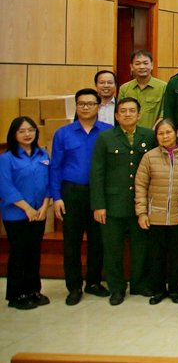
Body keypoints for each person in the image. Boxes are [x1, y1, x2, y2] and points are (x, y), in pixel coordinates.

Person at [90, 96, 156, 304]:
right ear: (117, 116)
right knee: (112, 249)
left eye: (132, 111)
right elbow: (97, 173)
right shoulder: (105, 138)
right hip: (113, 204)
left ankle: (139, 283)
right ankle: (117, 288)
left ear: (139, 115)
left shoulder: (149, 136)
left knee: (140, 247)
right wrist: (98, 205)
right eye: (123, 111)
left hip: (139, 204)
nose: (128, 114)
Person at [49, 88, 113, 305]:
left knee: (97, 241)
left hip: (98, 193)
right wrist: (56, 196)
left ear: (98, 106)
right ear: (76, 106)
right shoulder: (63, 133)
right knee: (72, 242)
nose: (86, 107)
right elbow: (55, 166)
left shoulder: (107, 132)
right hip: (71, 192)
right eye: (81, 104)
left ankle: (93, 282)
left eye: (90, 104)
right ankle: (74, 286)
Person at [134, 118, 178, 305]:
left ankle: (174, 290)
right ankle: (157, 290)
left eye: (168, 132)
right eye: (160, 133)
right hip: (155, 216)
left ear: (176, 133)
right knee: (156, 256)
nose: (165, 136)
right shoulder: (149, 157)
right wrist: (142, 212)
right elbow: (140, 186)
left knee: (177, 256)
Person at [0, 117, 51, 310]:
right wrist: (27, 208)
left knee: (34, 253)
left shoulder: (42, 154)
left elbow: (49, 181)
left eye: (31, 130)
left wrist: (45, 206)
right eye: (22, 131)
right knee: (19, 253)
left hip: (39, 212)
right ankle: (17, 294)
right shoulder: (6, 158)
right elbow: (5, 187)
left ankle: (33, 290)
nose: (27, 134)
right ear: (14, 134)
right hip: (17, 214)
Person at [118, 49, 167, 130]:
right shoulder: (124, 88)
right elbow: (121, 114)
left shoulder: (163, 87)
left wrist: (151, 133)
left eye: (145, 63)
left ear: (152, 65)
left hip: (153, 134)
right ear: (131, 67)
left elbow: (163, 114)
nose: (142, 67)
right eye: (137, 63)